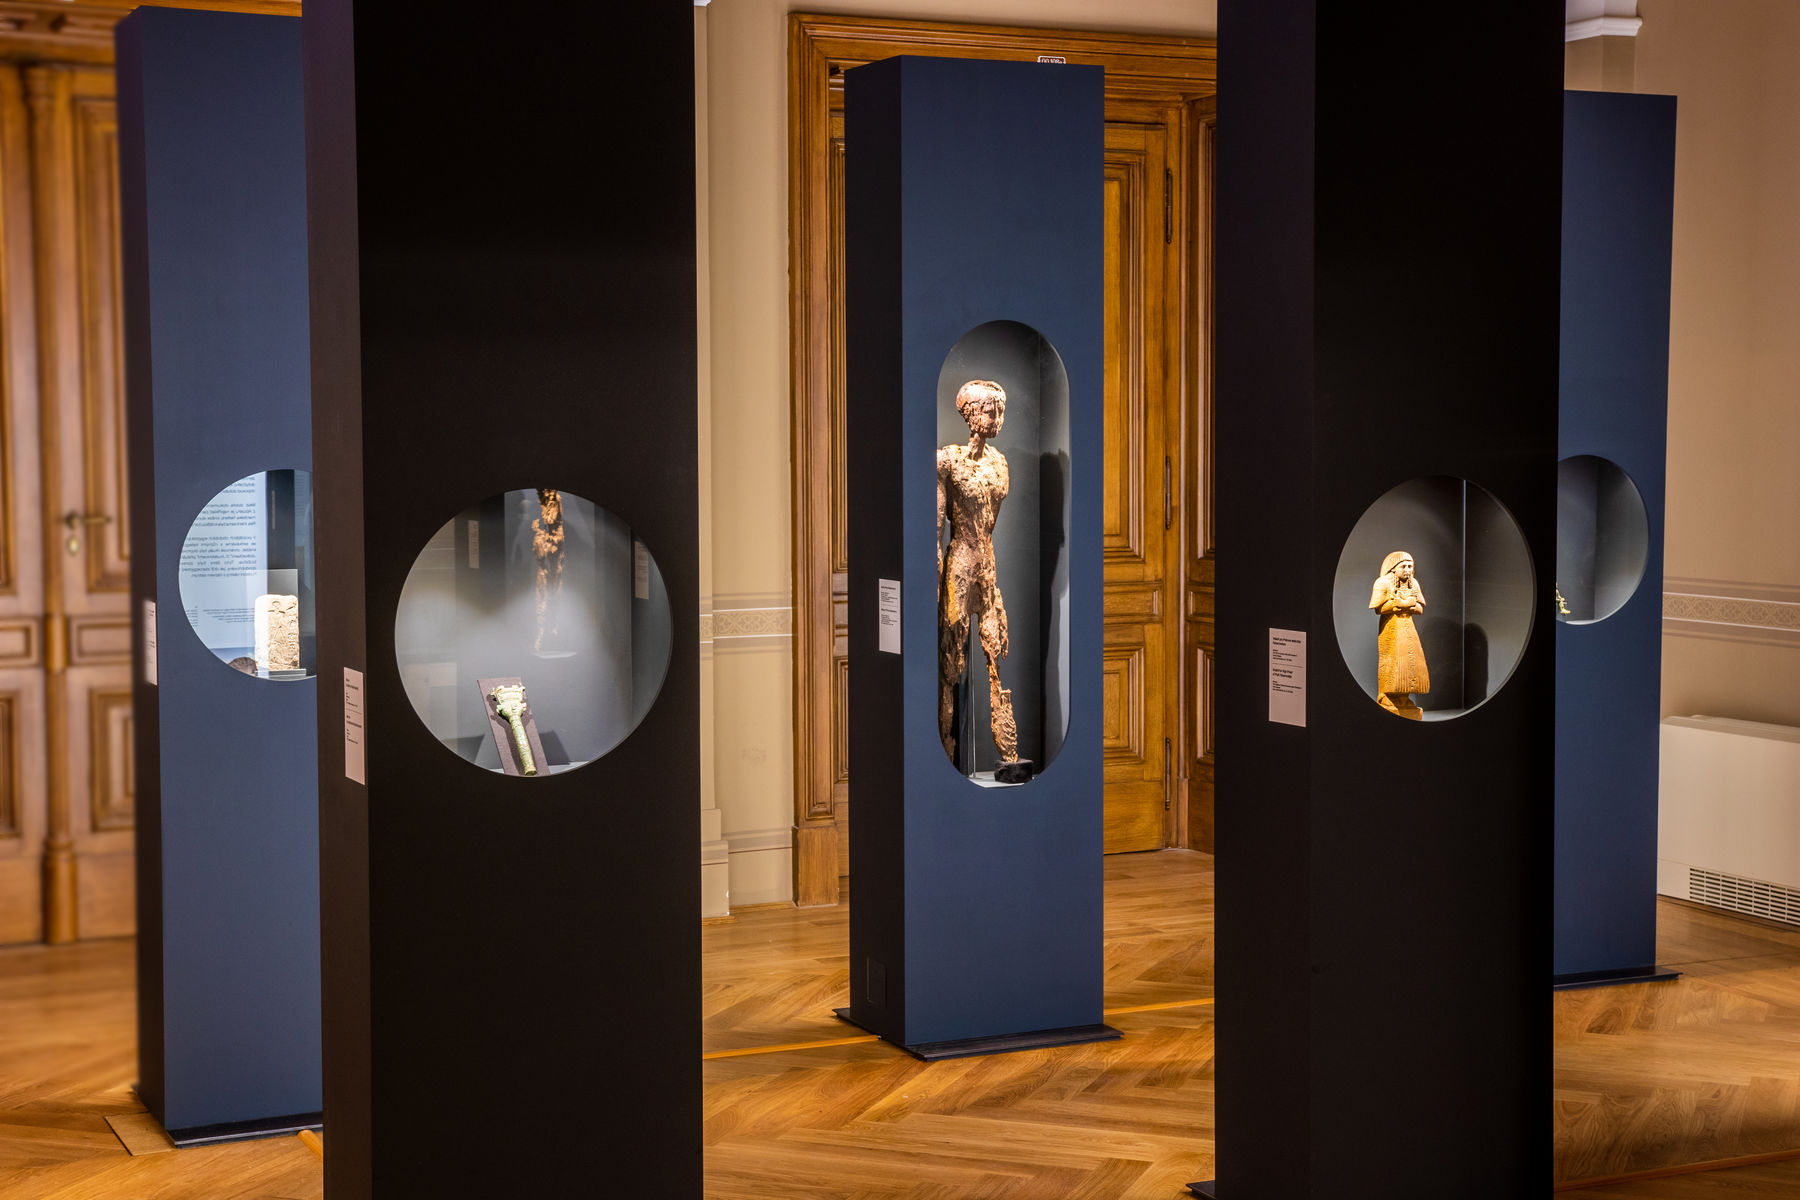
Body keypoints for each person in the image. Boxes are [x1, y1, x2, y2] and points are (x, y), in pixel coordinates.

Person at [937, 379, 1023, 770]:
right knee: (951, 661)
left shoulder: (999, 463)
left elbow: (991, 525)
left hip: (987, 566)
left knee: (994, 656)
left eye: (1000, 411)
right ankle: (945, 752)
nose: (998, 418)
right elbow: (938, 525)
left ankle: (1010, 757)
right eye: (991, 411)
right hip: (960, 564)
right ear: (971, 414)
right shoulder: (948, 461)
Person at [1370, 550, 1429, 719]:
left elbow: (1420, 608)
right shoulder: (1383, 583)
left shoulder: (1413, 583)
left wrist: (1408, 604)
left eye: (1410, 566)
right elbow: (1378, 609)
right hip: (1391, 628)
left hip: (1408, 627)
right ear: (1393, 568)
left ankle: (1404, 698)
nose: (1408, 570)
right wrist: (1399, 604)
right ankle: (1387, 697)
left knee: (1410, 664)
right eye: (1404, 566)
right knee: (1393, 663)